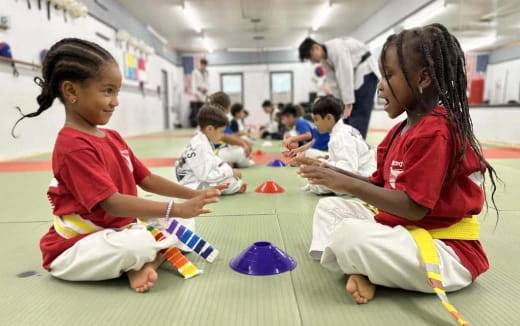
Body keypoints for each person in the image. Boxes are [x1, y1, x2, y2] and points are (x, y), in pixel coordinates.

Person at [297, 24, 499, 324]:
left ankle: (360, 265)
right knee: (330, 208)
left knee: (349, 236)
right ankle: (362, 266)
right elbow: (379, 187)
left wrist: (345, 183)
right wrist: (331, 172)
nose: (379, 86)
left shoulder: (437, 130)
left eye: (389, 76)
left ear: (423, 78)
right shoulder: (398, 132)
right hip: (402, 231)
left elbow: (414, 207)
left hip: (445, 250)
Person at [10, 38, 222, 293]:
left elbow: (147, 179)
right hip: (78, 245)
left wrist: (193, 196)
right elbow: (111, 202)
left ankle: (144, 263)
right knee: (139, 243)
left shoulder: (113, 138)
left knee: (181, 223)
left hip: (120, 227)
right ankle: (145, 258)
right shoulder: (72, 146)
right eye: (108, 91)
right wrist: (176, 208)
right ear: (72, 91)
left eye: (117, 92)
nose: (116, 101)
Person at [290, 95, 375, 195]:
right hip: (360, 172)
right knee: (309, 154)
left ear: (329, 118)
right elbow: (341, 159)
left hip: (361, 179)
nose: (315, 124)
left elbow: (348, 170)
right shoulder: (342, 130)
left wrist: (315, 164)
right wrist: (321, 161)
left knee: (317, 184)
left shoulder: (341, 137)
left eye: (316, 119)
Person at [299, 37, 380, 139]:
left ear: (316, 48)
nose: (312, 61)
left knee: (358, 110)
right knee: (345, 115)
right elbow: (333, 83)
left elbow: (345, 75)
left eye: (310, 57)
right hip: (354, 74)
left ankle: (357, 145)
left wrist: (348, 103)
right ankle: (348, 142)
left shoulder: (336, 48)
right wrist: (340, 103)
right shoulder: (324, 60)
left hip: (365, 70)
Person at [176, 104, 247, 195]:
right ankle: (237, 187)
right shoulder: (200, 146)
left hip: (196, 180)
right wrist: (230, 172)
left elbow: (212, 161)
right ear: (210, 129)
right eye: (221, 131)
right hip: (194, 186)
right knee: (231, 183)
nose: (222, 136)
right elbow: (206, 177)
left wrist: (226, 168)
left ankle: (234, 183)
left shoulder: (202, 140)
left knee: (232, 177)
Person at [208, 92, 254, 168]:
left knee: (243, 148)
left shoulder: (220, 118)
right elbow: (224, 137)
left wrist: (243, 142)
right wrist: (243, 143)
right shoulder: (217, 119)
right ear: (228, 107)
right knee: (242, 153)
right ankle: (227, 163)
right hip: (215, 153)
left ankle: (229, 163)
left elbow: (230, 136)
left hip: (220, 150)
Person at [189, 58, 209, 127]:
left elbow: (207, 83)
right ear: (200, 64)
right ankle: (197, 126)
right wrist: (197, 93)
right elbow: (193, 84)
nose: (204, 67)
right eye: (203, 65)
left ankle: (202, 125)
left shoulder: (206, 73)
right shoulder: (195, 72)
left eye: (205, 66)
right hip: (197, 94)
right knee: (197, 112)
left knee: (204, 111)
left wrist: (206, 89)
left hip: (204, 94)